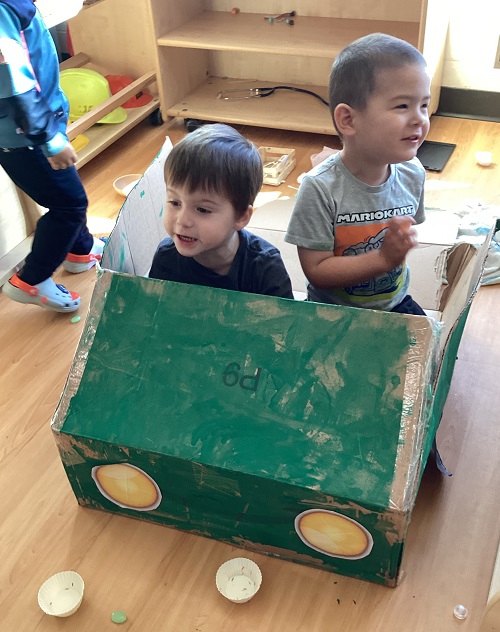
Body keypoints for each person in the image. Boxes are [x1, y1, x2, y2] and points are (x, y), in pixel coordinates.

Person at [285, 33, 430, 315]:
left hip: (394, 303)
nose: (419, 119)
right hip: (331, 310)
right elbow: (317, 271)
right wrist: (383, 258)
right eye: (402, 106)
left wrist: (391, 255)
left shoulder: (413, 174)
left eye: (423, 105)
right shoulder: (320, 188)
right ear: (348, 120)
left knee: (431, 352)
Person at [0, 0, 104, 313]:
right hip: (25, 137)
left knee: (64, 195)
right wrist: (49, 138)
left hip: (26, 132)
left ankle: (80, 250)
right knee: (70, 204)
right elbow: (16, 83)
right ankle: (32, 278)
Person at [149, 123, 294, 299]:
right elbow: (157, 316)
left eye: (202, 209)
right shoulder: (166, 259)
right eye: (175, 202)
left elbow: (284, 324)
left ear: (241, 217)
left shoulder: (265, 268)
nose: (182, 221)